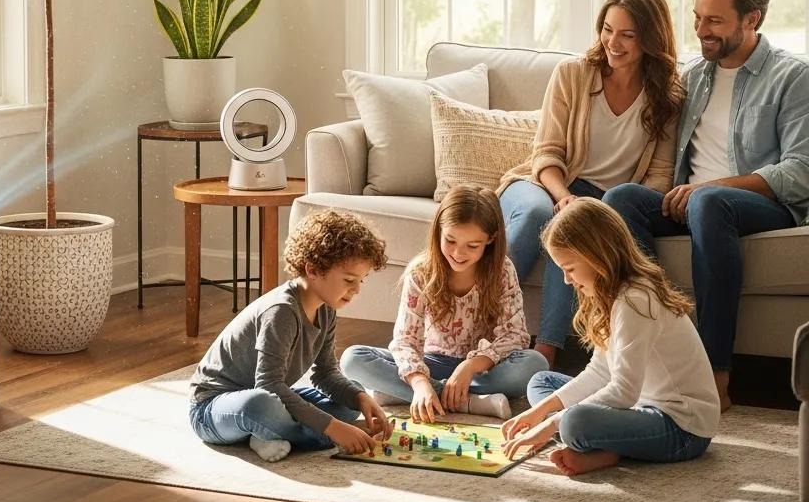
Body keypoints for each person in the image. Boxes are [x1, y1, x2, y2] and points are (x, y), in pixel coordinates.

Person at [604, 0, 809, 411]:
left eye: (714, 21)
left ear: (752, 19)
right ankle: (658, 354)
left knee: (711, 201)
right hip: (689, 202)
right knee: (620, 200)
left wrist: (708, 188)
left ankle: (714, 375)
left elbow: (800, 170)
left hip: (759, 204)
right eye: (697, 17)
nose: (701, 30)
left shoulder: (793, 77)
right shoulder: (693, 76)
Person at [498, 0, 684, 366]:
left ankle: (545, 352)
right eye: (607, 29)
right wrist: (563, 195)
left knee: (576, 228)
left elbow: (660, 176)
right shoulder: (573, 74)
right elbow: (546, 152)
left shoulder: (668, 94)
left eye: (627, 35)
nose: (614, 42)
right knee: (542, 215)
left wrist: (612, 213)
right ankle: (486, 324)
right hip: (542, 183)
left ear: (650, 38)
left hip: (607, 199)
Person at [502, 198, 719, 476]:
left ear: (596, 255)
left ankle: (606, 446)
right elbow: (600, 372)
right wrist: (539, 413)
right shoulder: (612, 295)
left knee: (573, 422)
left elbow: (624, 391)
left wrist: (551, 423)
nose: (567, 280)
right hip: (639, 407)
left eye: (569, 268)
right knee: (543, 382)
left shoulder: (636, 300)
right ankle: (606, 445)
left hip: (682, 428)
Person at [189, 209, 393, 463]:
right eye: (350, 279)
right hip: (214, 409)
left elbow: (326, 373)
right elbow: (269, 386)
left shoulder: (326, 307)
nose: (357, 289)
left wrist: (360, 398)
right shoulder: (281, 312)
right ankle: (307, 436)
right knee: (259, 405)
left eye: (361, 280)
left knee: (348, 404)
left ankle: (272, 433)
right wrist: (334, 429)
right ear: (313, 269)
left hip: (271, 398)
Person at [340, 186, 547, 423]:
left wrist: (470, 366)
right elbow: (405, 340)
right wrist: (418, 381)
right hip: (432, 362)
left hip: (483, 369)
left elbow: (515, 335)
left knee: (534, 363)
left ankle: (402, 392)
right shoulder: (421, 272)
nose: (458, 253)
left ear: (490, 240)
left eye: (472, 246)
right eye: (450, 240)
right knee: (353, 359)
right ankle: (467, 402)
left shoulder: (502, 270)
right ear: (439, 231)